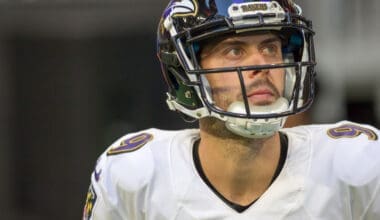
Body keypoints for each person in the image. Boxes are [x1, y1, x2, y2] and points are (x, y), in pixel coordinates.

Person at [82, 0, 380, 219]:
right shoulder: (133, 177)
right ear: (186, 73)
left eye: (270, 48)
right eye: (235, 50)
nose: (262, 66)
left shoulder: (357, 165)